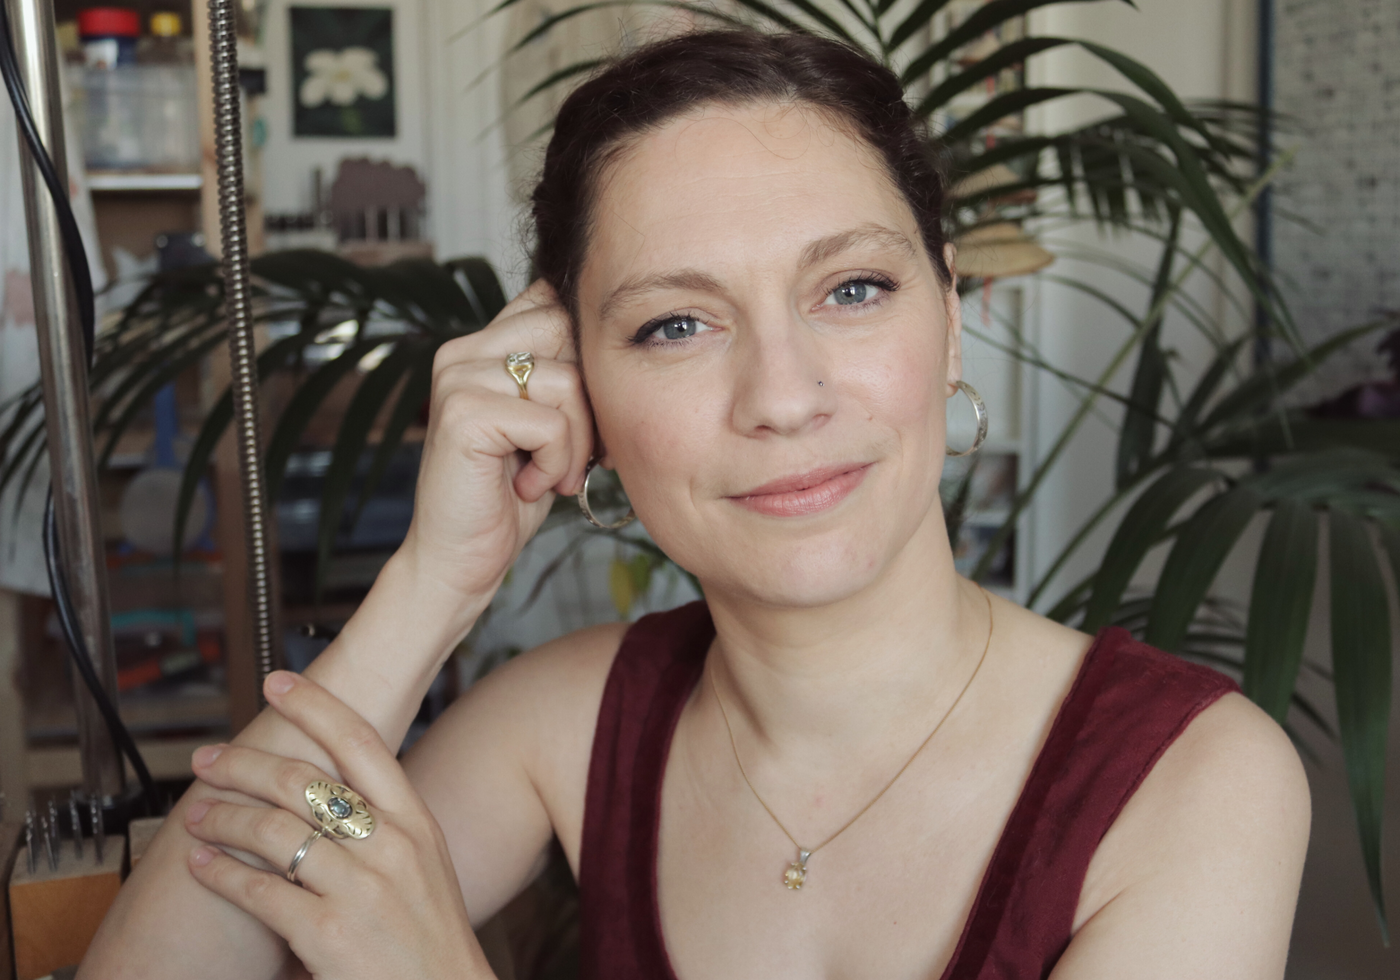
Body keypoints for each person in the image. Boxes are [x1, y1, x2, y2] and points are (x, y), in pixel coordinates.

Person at [82, 29, 1310, 980]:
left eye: (852, 288)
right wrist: (431, 584)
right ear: (574, 381)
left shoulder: (1191, 776)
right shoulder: (566, 722)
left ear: (948, 314)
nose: (780, 395)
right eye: (675, 323)